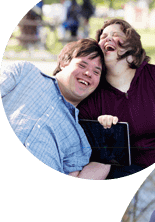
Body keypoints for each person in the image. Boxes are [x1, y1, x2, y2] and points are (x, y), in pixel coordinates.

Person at [79, 19, 155, 178]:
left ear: (133, 47)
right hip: (125, 172)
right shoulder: (94, 94)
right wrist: (100, 131)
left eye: (116, 35)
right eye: (103, 36)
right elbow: (83, 143)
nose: (108, 39)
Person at [1, 38, 109, 179]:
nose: (88, 73)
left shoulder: (79, 140)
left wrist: (109, 158)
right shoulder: (24, 73)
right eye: (82, 65)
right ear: (64, 62)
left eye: (96, 72)